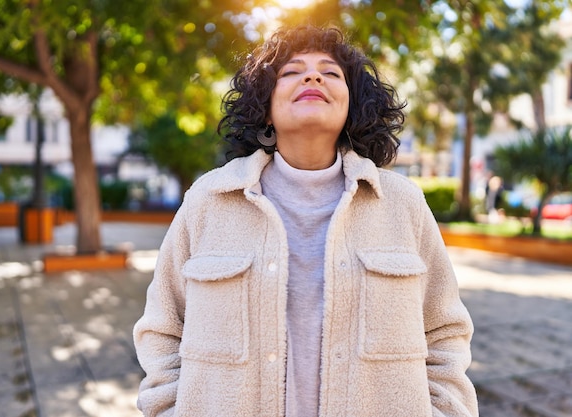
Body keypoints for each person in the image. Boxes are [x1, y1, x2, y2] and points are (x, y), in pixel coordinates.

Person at [134, 25, 478, 417]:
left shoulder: (403, 204)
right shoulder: (208, 201)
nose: (313, 76)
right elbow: (161, 330)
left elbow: (445, 331)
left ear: (353, 104)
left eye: (330, 73)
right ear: (265, 105)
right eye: (292, 71)